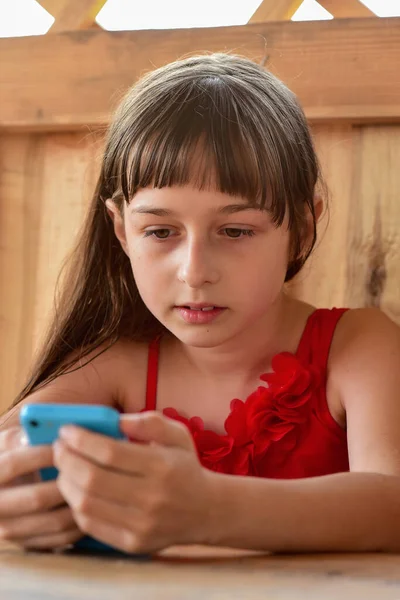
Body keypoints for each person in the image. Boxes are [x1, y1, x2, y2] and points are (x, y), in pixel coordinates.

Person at [1, 53, 400, 555]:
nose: (194, 271)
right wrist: (17, 500)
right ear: (122, 230)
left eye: (235, 230)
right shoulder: (118, 367)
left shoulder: (360, 348)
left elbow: (393, 501)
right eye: (161, 231)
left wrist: (211, 509)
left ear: (301, 228)